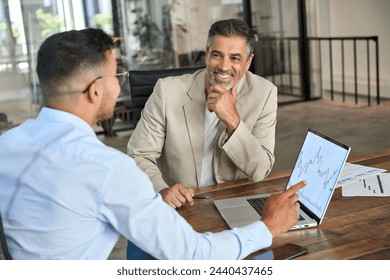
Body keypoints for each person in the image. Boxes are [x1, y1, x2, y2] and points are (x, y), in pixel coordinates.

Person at [0, 28, 305, 260]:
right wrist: (268, 227)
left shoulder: (7, 145)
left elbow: (260, 168)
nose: (120, 84)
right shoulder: (107, 169)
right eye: (115, 74)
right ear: (95, 91)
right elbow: (192, 255)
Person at [127, 19, 278, 210]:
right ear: (206, 55)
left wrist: (233, 120)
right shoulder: (167, 91)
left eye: (235, 58)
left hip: (234, 201)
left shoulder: (265, 93)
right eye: (217, 55)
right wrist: (162, 190)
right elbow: (138, 155)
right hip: (182, 204)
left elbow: (260, 171)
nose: (224, 66)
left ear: (248, 62)